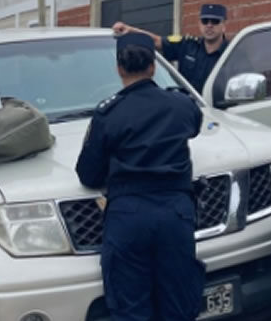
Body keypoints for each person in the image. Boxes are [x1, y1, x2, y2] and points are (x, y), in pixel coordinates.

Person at [75, 33, 205, 320]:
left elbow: (88, 174)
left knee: (131, 308)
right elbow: (195, 127)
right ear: (153, 67)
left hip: (128, 217)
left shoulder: (108, 113)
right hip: (175, 215)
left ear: (119, 68)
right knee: (178, 306)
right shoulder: (181, 105)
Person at [111, 3, 228, 93]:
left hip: (217, 110)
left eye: (215, 21)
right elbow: (157, 41)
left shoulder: (230, 53)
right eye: (205, 21)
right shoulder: (187, 45)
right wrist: (129, 30)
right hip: (188, 107)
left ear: (223, 26)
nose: (209, 25)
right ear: (199, 24)